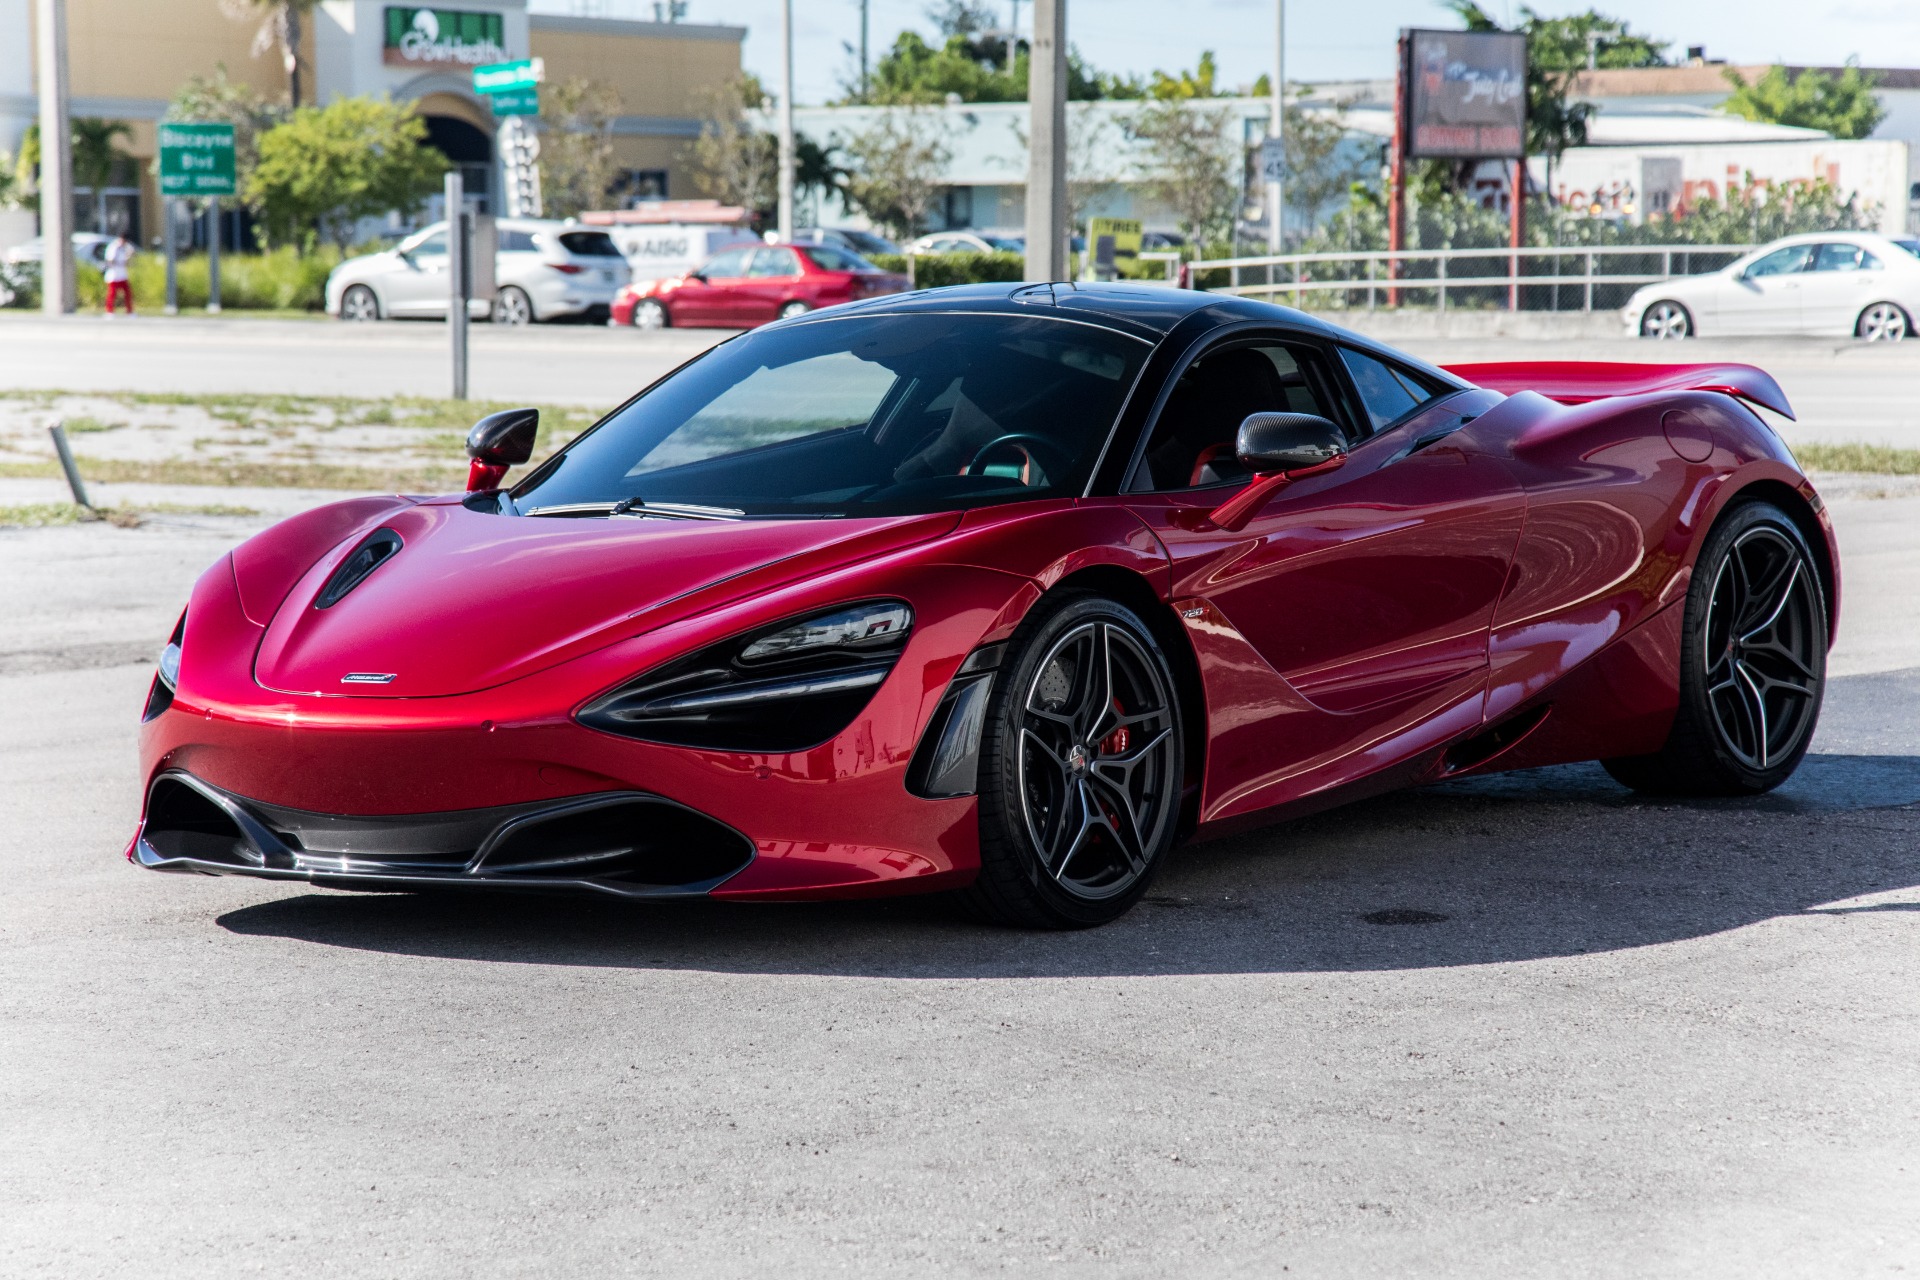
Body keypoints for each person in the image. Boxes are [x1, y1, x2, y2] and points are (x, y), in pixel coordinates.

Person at [103, 231, 134, 315]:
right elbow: (110, 260)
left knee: (128, 293)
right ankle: (109, 311)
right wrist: (119, 263)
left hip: (122, 274)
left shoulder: (125, 247)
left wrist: (128, 256)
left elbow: (130, 256)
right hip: (114, 274)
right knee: (112, 293)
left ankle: (129, 311)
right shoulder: (114, 247)